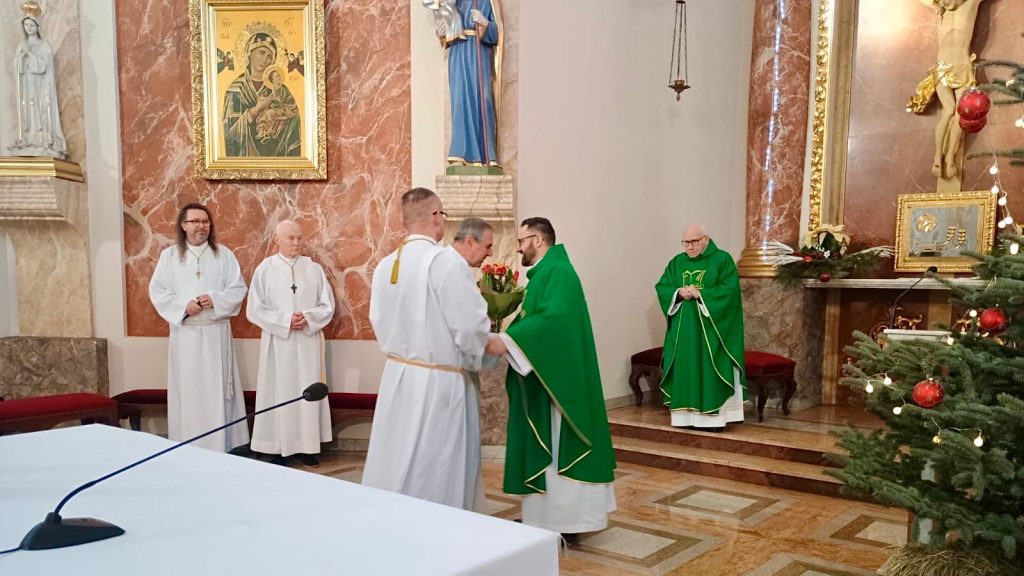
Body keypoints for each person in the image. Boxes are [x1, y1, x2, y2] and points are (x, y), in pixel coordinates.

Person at [485, 217, 616, 544]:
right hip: (546, 379)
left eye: (521, 241)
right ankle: (544, 518)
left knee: (560, 447)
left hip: (560, 384)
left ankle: (567, 521)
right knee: (548, 446)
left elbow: (555, 322)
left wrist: (508, 341)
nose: (518, 248)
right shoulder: (545, 274)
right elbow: (539, 321)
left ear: (538, 239)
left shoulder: (559, 272)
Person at [362, 189, 492, 510]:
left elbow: (377, 319)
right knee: (435, 467)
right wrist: (484, 351)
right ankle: (435, 526)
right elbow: (470, 328)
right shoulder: (446, 261)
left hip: (397, 377)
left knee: (395, 458)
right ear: (436, 217)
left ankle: (390, 517)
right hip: (438, 383)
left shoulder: (385, 265)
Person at [148, 203, 249, 452]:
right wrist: (184, 306)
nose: (201, 226)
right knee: (189, 390)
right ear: (183, 226)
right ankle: (188, 446)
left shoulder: (223, 255)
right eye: (195, 221)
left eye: (205, 222)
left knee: (216, 391)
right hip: (187, 334)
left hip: (216, 332)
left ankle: (221, 446)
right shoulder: (169, 257)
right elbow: (158, 291)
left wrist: (215, 299)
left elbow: (238, 288)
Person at [246, 220, 335, 467]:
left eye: (299, 238)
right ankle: (276, 447)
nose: (296, 243)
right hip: (278, 343)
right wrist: (285, 320)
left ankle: (306, 446)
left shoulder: (313, 269)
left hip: (307, 341)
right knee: (278, 391)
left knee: (306, 390)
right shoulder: (265, 269)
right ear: (277, 239)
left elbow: (327, 305)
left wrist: (308, 317)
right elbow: (254, 308)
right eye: (290, 238)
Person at [656, 224, 747, 431]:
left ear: (706, 239)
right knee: (686, 369)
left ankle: (714, 421)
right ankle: (684, 419)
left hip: (711, 331)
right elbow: (663, 286)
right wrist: (678, 292)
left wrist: (701, 294)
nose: (689, 246)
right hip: (684, 332)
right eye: (686, 242)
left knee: (710, 369)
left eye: (694, 241)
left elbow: (730, 291)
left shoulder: (722, 260)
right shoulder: (677, 262)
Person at [428, 0, 500, 167]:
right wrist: (443, 27)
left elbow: (497, 33)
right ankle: (461, 152)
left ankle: (486, 155)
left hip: (479, 51)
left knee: (483, 99)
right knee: (460, 100)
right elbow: (444, 23)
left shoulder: (487, 1)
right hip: (458, 50)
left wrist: (485, 23)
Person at [222, 32, 300, 157]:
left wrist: (281, 116)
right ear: (250, 53)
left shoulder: (280, 90)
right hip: (244, 161)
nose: (264, 60)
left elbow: (294, 118)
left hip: (278, 159)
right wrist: (255, 110)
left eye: (269, 57)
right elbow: (228, 135)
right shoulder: (235, 90)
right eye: (261, 52)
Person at [10, 5, 67, 159]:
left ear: (38, 27)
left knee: (38, 111)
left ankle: (43, 139)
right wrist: (21, 58)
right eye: (26, 25)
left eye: (31, 25)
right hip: (26, 85)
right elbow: (16, 66)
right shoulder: (22, 44)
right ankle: (28, 139)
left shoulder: (44, 45)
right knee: (28, 111)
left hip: (40, 86)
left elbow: (45, 66)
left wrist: (31, 55)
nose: (28, 28)